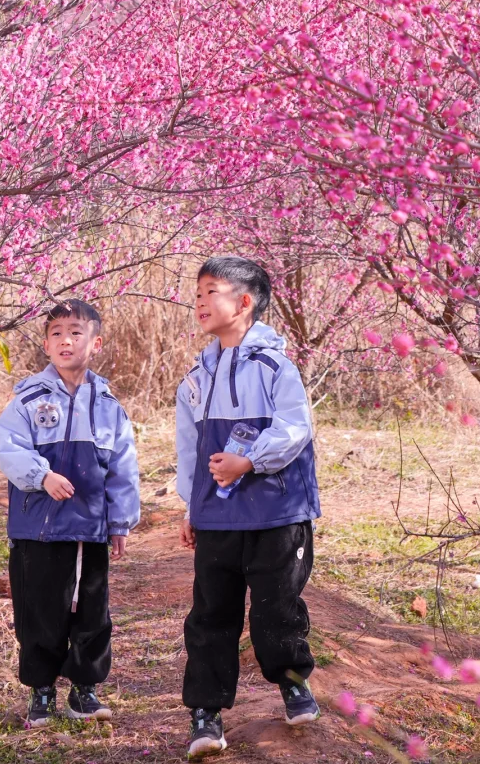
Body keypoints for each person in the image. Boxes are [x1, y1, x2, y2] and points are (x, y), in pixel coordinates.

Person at [176, 256, 321, 759]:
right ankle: (205, 713)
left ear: (244, 302)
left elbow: (295, 429)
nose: (200, 301)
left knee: (275, 607)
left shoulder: (276, 367)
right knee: (211, 612)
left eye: (211, 291)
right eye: (197, 292)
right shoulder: (196, 376)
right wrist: (191, 505)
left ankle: (293, 683)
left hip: (277, 513)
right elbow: (190, 449)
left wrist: (248, 461)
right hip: (217, 516)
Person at [0, 298, 140, 727]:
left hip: (90, 528)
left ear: (95, 343)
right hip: (38, 529)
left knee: (91, 612)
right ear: (45, 344)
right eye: (56, 333)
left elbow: (123, 467)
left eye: (76, 332)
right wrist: (43, 476)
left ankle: (84, 690)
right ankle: (41, 692)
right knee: (40, 610)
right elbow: (9, 450)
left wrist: (120, 520)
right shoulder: (28, 399)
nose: (66, 340)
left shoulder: (109, 405)